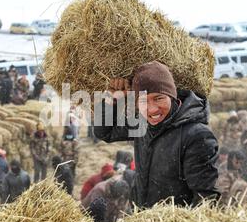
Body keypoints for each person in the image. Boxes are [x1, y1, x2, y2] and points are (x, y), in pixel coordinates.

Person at [94, 61, 219, 208]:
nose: (152, 109)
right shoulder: (142, 124)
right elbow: (104, 132)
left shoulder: (196, 135)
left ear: (172, 96)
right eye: (143, 101)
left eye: (158, 98)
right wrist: (111, 98)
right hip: (142, 220)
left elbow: (205, 199)